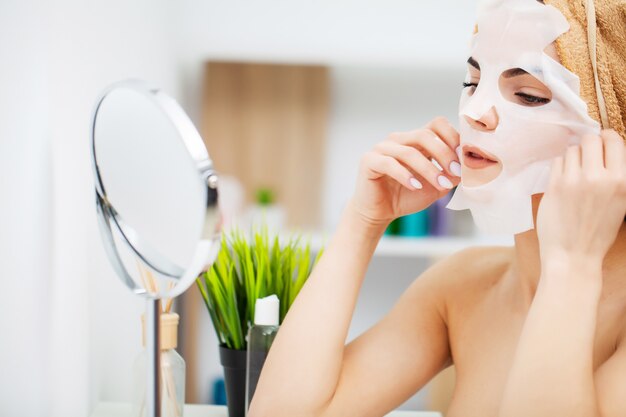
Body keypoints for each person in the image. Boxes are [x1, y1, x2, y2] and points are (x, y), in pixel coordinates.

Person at [248, 0, 626, 416]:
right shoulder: (463, 289)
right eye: (473, 82)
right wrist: (363, 221)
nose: (476, 113)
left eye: (530, 95)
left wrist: (571, 267)